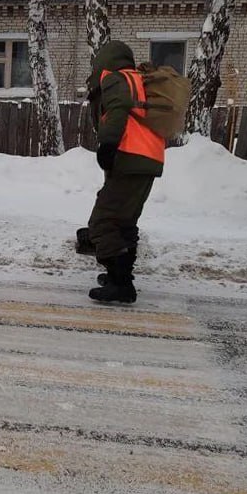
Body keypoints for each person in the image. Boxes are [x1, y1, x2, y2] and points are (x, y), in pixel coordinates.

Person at [84, 40, 165, 304]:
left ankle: (121, 284)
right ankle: (119, 276)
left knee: (104, 221)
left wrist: (108, 144)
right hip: (149, 158)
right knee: (125, 221)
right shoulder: (137, 79)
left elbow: (117, 110)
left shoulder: (115, 79)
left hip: (129, 156)